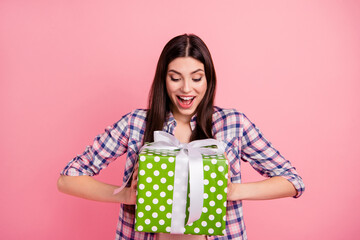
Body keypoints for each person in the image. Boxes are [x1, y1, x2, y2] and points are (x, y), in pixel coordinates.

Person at [57, 34, 305, 240]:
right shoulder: (136, 124)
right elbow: (68, 179)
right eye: (175, 78)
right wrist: (127, 195)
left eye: (196, 78)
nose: (187, 88)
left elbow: (293, 182)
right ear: (163, 80)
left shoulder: (232, 124)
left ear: (208, 79)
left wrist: (232, 191)